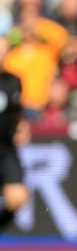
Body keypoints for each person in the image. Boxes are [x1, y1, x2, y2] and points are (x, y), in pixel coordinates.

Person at [0, 38, 29, 238]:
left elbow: (17, 112)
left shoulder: (13, 81)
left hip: (5, 147)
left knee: (18, 197)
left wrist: (21, 127)